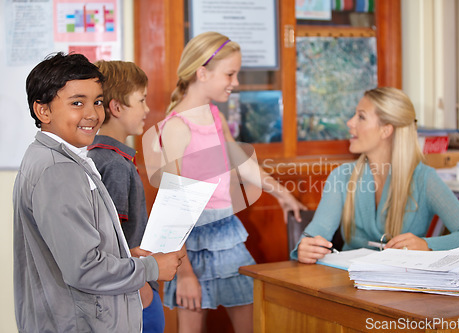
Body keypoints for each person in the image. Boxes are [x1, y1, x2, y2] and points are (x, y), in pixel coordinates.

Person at [13, 52, 184, 333]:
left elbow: (73, 251)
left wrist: (127, 257)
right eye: (77, 103)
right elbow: (83, 268)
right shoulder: (58, 170)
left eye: (97, 102)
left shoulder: (56, 158)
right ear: (43, 110)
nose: (92, 114)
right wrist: (150, 269)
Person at [156, 31, 306, 333]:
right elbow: (173, 206)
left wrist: (282, 194)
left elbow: (243, 164)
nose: (235, 83)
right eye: (230, 74)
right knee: (191, 321)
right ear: (202, 73)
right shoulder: (176, 127)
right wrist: (185, 274)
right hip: (190, 244)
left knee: (250, 321)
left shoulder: (214, 116)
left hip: (226, 235)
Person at [291, 87, 459, 264]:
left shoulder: (424, 179)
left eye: (361, 117)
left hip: (404, 291)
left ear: (386, 130)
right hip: (349, 286)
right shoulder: (341, 177)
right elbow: (317, 231)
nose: (349, 123)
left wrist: (426, 245)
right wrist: (306, 246)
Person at [87, 60, 165, 333]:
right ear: (117, 107)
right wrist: (141, 285)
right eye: (141, 100)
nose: (147, 109)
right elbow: (112, 240)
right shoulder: (115, 165)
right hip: (133, 292)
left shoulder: (97, 157)